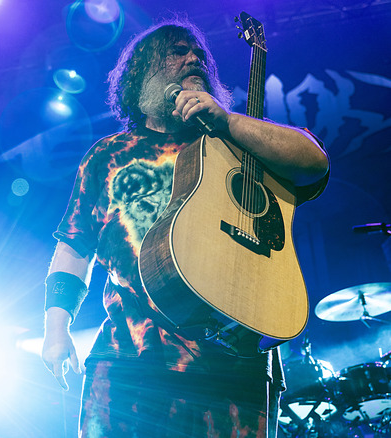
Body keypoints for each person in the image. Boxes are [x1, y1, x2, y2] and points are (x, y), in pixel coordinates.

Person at [40, 19, 329, 438]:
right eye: (176, 52)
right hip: (132, 358)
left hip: (238, 363)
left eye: (198, 54)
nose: (193, 57)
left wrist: (227, 122)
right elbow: (73, 248)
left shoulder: (242, 145)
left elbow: (314, 162)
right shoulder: (107, 155)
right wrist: (55, 329)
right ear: (140, 78)